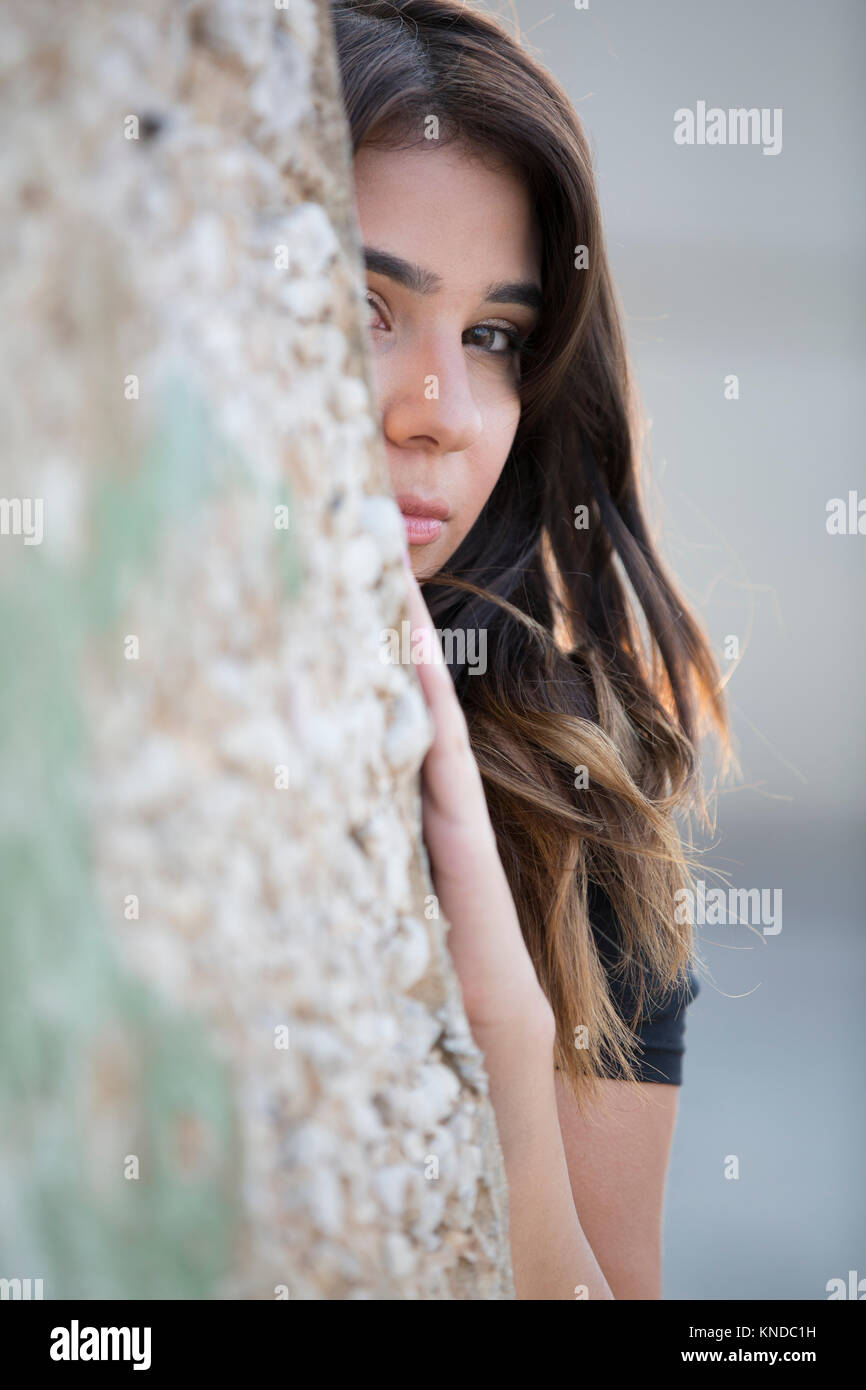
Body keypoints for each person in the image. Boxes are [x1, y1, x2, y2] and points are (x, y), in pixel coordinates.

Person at [331, 0, 729, 1299]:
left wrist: (504, 1026)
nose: (437, 413)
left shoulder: (580, 811)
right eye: (367, 306)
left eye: (491, 336)